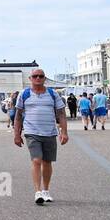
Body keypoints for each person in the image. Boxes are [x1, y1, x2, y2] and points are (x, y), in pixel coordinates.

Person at [14, 67, 68, 204]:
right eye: (35, 76)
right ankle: (37, 192)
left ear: (44, 78)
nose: (38, 78)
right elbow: (18, 116)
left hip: (50, 132)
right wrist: (17, 134)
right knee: (37, 160)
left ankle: (46, 190)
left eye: (41, 76)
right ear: (30, 79)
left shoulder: (52, 94)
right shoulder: (24, 94)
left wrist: (64, 132)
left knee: (47, 162)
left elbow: (61, 113)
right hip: (32, 132)